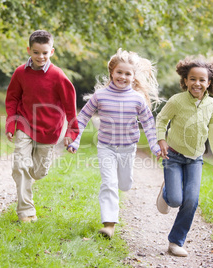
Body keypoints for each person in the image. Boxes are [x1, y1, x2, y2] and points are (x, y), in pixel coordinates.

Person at [67, 48, 161, 238]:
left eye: (128, 73)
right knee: (109, 183)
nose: (123, 76)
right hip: (106, 147)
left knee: (124, 184)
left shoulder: (137, 99)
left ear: (134, 77)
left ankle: (124, 184)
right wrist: (75, 140)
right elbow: (83, 117)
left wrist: (155, 146)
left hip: (128, 148)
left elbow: (149, 125)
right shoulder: (100, 96)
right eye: (119, 72)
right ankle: (109, 224)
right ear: (111, 72)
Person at [156, 56, 213, 257]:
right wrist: (161, 140)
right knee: (175, 199)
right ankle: (167, 192)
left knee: (191, 200)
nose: (197, 83)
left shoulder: (212, 105)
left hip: (195, 159)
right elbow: (161, 120)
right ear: (185, 80)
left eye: (202, 80)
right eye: (192, 79)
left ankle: (175, 242)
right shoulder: (177, 101)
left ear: (209, 82)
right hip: (173, 155)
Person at [5, 30, 79, 223]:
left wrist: (72, 131)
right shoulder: (20, 73)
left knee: (38, 172)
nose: (40, 57)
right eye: (36, 52)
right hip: (25, 124)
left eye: (45, 53)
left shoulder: (58, 76)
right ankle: (26, 212)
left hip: (49, 131)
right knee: (20, 165)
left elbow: (71, 107)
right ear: (29, 50)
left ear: (52, 52)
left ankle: (30, 180)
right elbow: (13, 98)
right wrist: (11, 123)